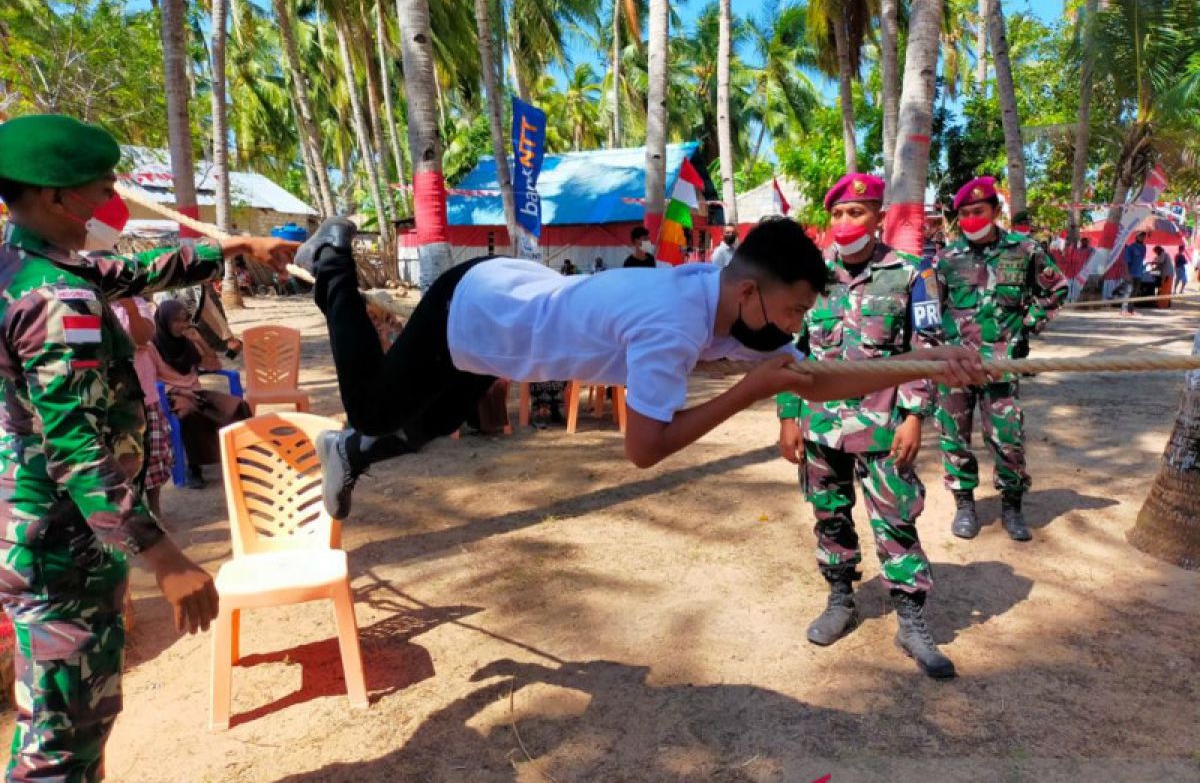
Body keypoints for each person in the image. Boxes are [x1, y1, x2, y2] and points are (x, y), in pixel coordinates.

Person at [291, 215, 985, 521]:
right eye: (794, 310)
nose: (796, 328)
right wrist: (748, 392)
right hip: (476, 309)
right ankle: (330, 264)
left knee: (428, 424)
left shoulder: (729, 308)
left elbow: (813, 378)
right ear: (751, 292)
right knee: (380, 409)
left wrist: (920, 364)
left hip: (508, 322)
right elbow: (643, 450)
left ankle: (349, 454)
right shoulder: (673, 326)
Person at [0, 114, 296, 782]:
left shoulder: (28, 263)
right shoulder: (55, 300)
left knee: (75, 727)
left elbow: (128, 271)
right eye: (98, 190)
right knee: (58, 746)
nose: (109, 203)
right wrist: (163, 555)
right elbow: (77, 446)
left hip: (49, 536)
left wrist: (232, 248)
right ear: (52, 197)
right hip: (60, 546)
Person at [776, 174, 954, 678]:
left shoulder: (912, 274)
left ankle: (911, 619)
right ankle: (840, 599)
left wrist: (915, 414)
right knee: (829, 513)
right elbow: (791, 352)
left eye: (856, 212)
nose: (845, 222)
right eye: (837, 213)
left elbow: (926, 351)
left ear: (878, 218)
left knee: (896, 519)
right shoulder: (809, 277)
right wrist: (789, 414)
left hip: (883, 423)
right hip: (821, 425)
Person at [936, 177, 1068, 542]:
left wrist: (1027, 325)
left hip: (1001, 366)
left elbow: (1056, 289)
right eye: (963, 214)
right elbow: (931, 309)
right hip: (955, 369)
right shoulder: (947, 259)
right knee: (954, 438)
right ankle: (964, 505)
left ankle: (1012, 506)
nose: (970, 219)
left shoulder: (1024, 250)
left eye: (978, 211)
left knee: (1008, 441)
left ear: (995, 211)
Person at [149, 299, 252, 488]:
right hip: (173, 395)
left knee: (238, 405)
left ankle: (242, 454)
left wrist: (199, 340)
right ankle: (195, 467)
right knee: (189, 414)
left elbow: (215, 365)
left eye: (184, 320)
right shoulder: (153, 346)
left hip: (196, 392)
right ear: (164, 322)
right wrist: (178, 390)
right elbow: (151, 379)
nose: (182, 326)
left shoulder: (188, 342)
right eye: (176, 321)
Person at [112, 297, 173, 525]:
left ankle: (156, 509)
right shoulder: (91, 304)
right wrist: (125, 344)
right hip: (115, 400)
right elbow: (89, 344)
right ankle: (130, 514)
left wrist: (129, 307)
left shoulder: (138, 305)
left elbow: (142, 336)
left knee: (154, 454)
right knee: (122, 460)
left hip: (146, 396)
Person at [1120, 231, 1148, 315]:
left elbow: (1142, 259)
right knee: (1128, 291)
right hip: (1131, 273)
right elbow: (1126, 262)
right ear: (1136, 237)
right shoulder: (1130, 247)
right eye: (1140, 236)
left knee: (1135, 292)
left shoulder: (1144, 247)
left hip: (1139, 273)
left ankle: (1130, 310)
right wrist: (1127, 273)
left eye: (1143, 236)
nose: (1142, 237)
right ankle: (1123, 310)